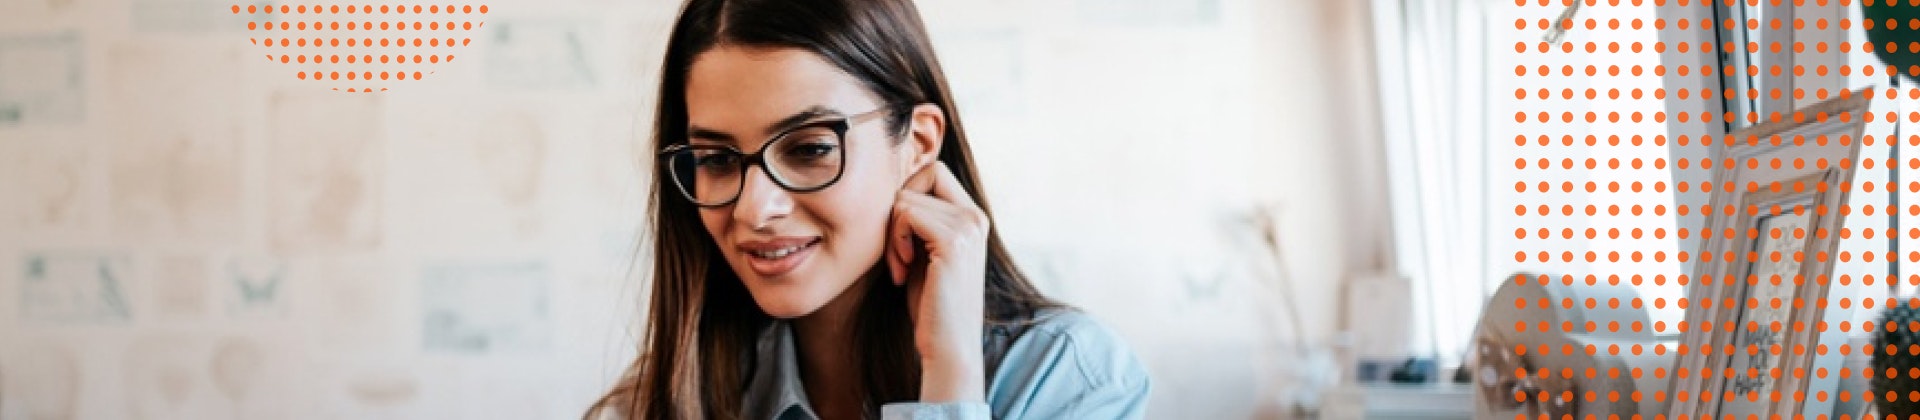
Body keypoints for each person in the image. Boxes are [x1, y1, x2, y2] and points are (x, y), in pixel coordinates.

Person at [586, 0, 1151, 418]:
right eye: (716, 159)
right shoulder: (665, 399)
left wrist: (949, 370)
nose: (755, 209)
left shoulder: (1071, 379)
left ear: (919, 143)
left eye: (810, 149)